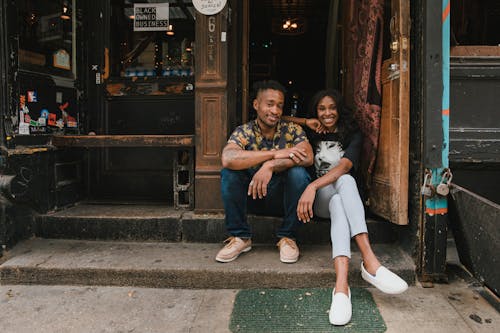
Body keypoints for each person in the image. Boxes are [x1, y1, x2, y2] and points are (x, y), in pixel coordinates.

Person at [287, 89, 408, 326]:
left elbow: (344, 167)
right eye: (321, 109)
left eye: (331, 107)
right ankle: (370, 262)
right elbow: (280, 118)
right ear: (315, 112)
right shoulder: (310, 132)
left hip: (340, 197)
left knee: (344, 186)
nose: (327, 113)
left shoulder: (352, 134)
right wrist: (305, 121)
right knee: (340, 189)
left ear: (339, 109)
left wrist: (311, 186)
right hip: (318, 203)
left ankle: (341, 287)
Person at [216, 80, 314, 264]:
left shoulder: (292, 130)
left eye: (279, 106)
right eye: (270, 104)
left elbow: (308, 156)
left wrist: (270, 166)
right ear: (256, 105)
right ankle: (240, 237)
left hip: (282, 198)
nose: (275, 111)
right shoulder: (244, 131)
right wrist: (274, 154)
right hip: (251, 196)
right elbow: (228, 158)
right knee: (229, 173)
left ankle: (288, 237)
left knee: (299, 174)